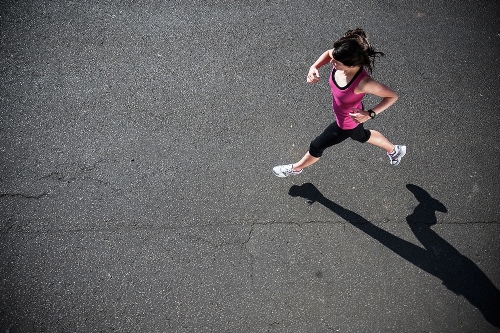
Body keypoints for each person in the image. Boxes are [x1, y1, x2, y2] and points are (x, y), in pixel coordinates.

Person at [273, 28, 406, 177]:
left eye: (336, 62)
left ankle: (296, 168)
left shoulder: (363, 83)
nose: (331, 62)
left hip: (347, 122)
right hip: (349, 115)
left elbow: (392, 96)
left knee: (317, 145)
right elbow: (328, 53)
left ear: (350, 65)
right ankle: (395, 150)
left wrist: (370, 114)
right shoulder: (341, 56)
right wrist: (314, 67)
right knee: (361, 136)